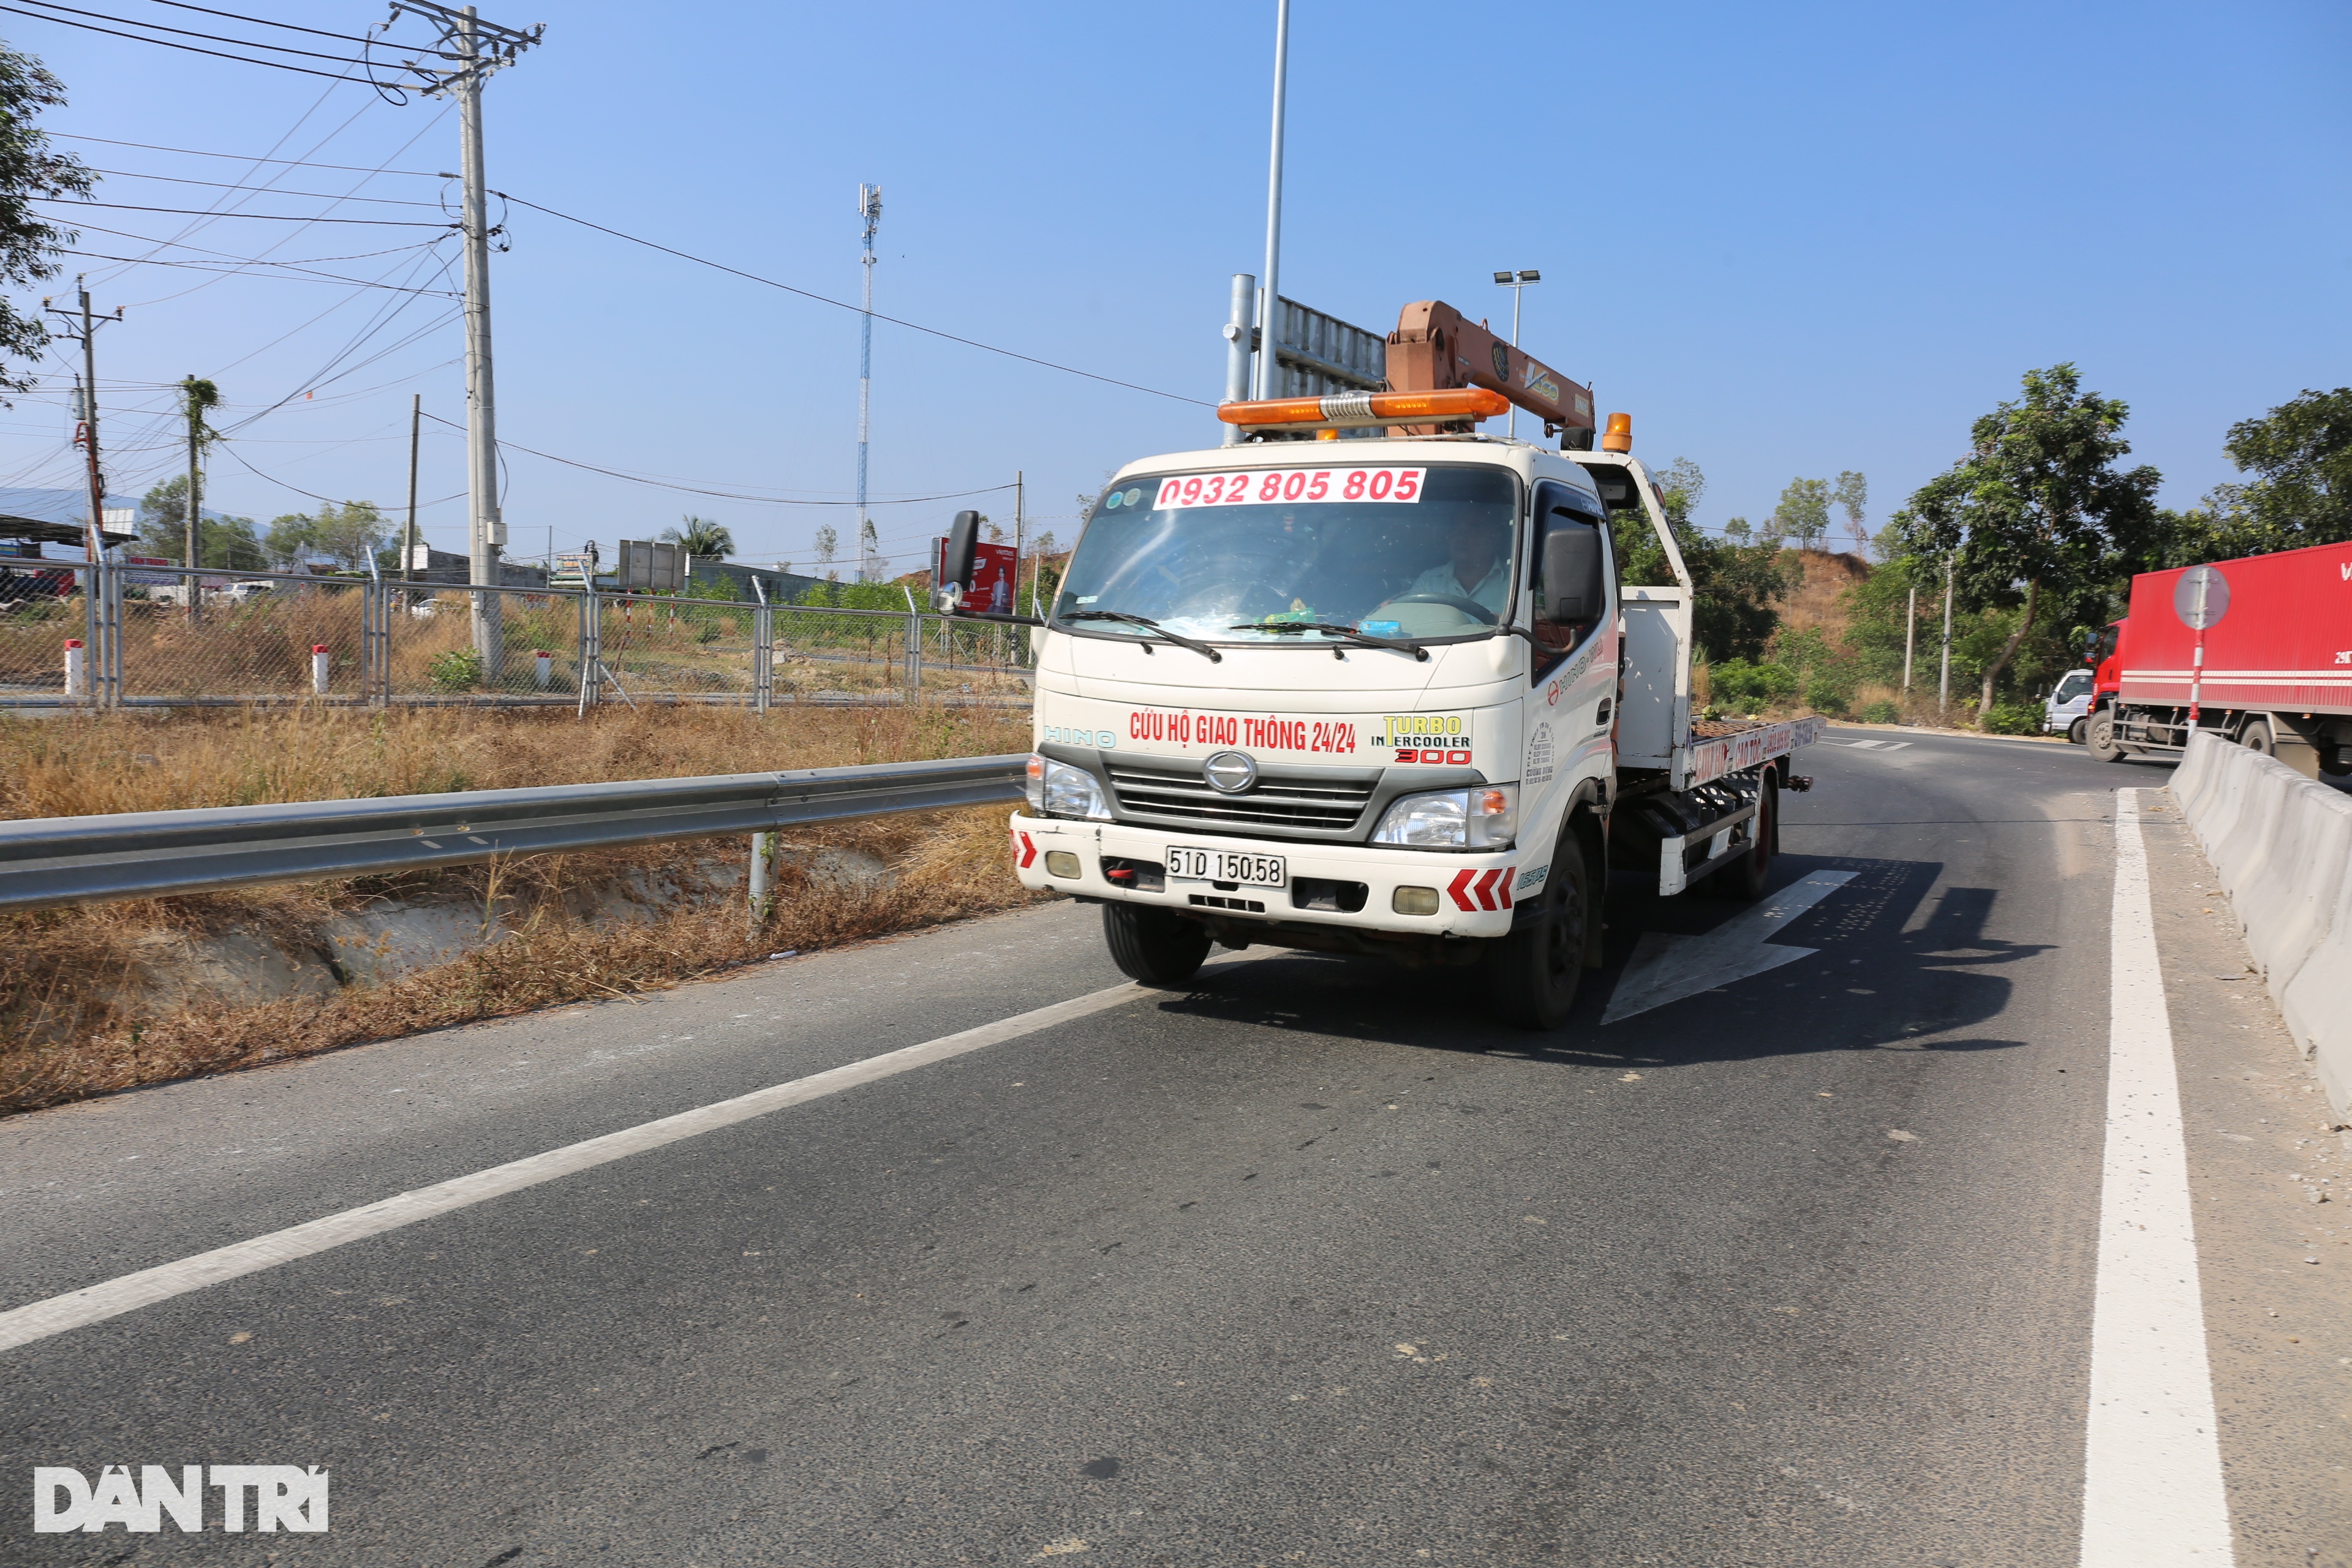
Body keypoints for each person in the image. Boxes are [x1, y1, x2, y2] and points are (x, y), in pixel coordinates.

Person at [1395, 513, 1511, 617]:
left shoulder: (1514, 583)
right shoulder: (1429, 582)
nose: (1461, 537)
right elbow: (1408, 622)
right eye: (1456, 529)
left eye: (1472, 530)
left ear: (1494, 537)